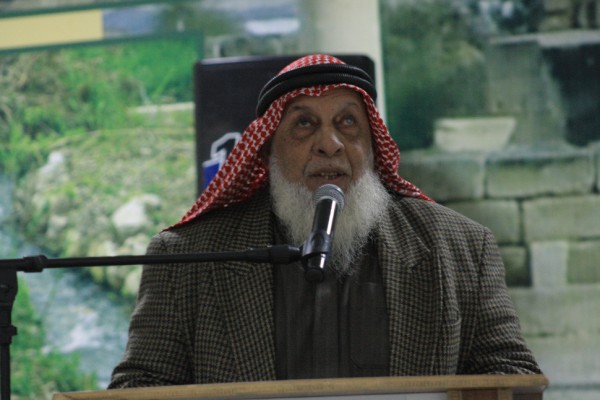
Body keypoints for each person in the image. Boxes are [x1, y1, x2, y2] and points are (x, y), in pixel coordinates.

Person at [109, 54, 541, 388]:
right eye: (304, 124)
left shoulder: (462, 247)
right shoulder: (186, 258)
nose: (329, 144)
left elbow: (513, 376)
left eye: (347, 122)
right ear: (267, 150)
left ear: (372, 145)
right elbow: (139, 387)